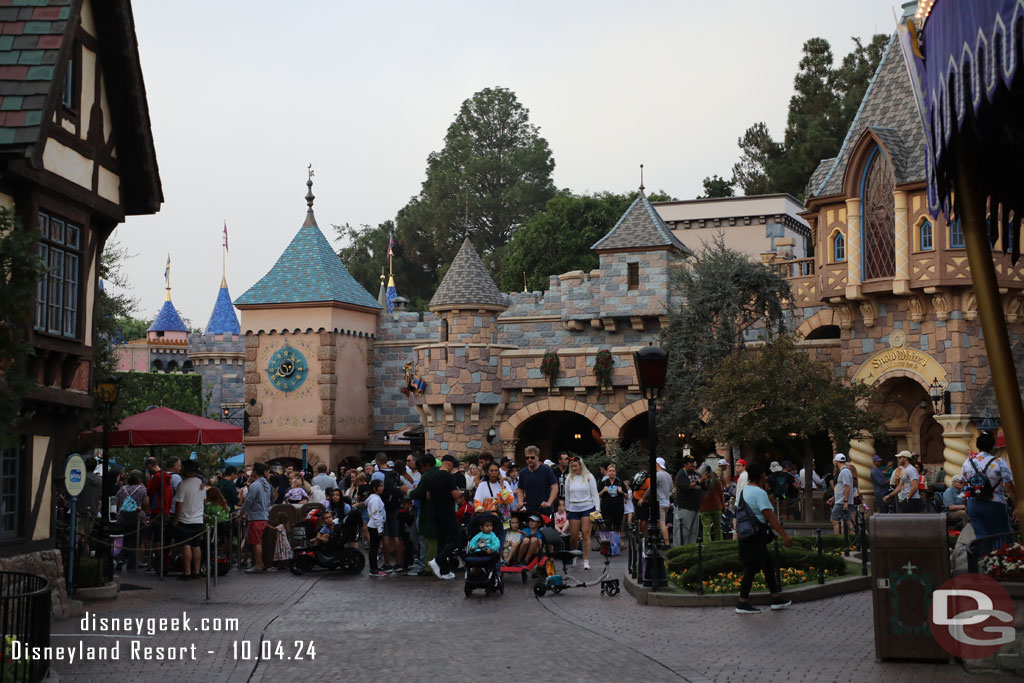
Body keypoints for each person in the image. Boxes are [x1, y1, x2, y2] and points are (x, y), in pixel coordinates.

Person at [734, 462, 793, 615]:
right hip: (756, 536)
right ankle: (742, 602)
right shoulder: (759, 494)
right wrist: (785, 536)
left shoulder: (743, 491)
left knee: (767, 565)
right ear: (762, 476)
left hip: (745, 535)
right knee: (752, 568)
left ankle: (775, 598)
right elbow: (772, 518)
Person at [961, 432, 1016, 538]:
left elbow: (964, 486)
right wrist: (1016, 507)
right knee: (1001, 536)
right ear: (992, 446)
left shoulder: (967, 463)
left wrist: (966, 505)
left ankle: (983, 554)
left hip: (974, 504)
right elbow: (1009, 486)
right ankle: (998, 554)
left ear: (977, 446)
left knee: (981, 537)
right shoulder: (999, 462)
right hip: (995, 503)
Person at [426, 454, 461, 580]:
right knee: (456, 540)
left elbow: (428, 496)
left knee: (442, 540)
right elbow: (455, 495)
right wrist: (460, 493)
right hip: (448, 512)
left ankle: (444, 571)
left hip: (436, 512)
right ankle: (438, 560)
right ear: (449, 464)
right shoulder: (448, 477)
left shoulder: (431, 477)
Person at [564, 458, 601, 569]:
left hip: (587, 507)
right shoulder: (568, 478)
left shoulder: (589, 477)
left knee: (585, 534)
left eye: (576, 466)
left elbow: (595, 494)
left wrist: (597, 508)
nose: (574, 468)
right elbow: (567, 495)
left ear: (581, 466)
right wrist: (567, 509)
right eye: (572, 467)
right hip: (573, 508)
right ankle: (574, 556)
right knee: (574, 537)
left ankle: (586, 560)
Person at [172, 461, 206, 580]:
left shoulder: (183, 485)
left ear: (187, 470)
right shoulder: (202, 484)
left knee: (186, 545)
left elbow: (179, 505)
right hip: (198, 519)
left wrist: (176, 519)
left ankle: (187, 571)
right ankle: (196, 571)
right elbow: (204, 501)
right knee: (196, 545)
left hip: (185, 520)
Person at [408, 453, 438, 575]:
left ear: (425, 465)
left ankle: (427, 566)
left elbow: (418, 493)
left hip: (428, 512)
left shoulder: (427, 476)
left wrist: (408, 491)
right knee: (433, 541)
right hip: (439, 512)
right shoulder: (440, 473)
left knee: (427, 540)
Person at [239, 462, 272, 573]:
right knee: (258, 541)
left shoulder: (255, 485)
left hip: (256, 517)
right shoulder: (267, 485)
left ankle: (258, 565)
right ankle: (258, 564)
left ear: (256, 471)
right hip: (264, 515)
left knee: (256, 542)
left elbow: (249, 501)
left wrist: (241, 513)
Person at [114, 470, 148, 570]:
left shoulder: (122, 489)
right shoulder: (142, 490)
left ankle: (120, 559)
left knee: (121, 539)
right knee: (135, 541)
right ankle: (132, 564)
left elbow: (117, 502)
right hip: (136, 517)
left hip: (123, 517)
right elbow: (145, 503)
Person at [473, 463, 514, 541]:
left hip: (502, 519)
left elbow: (509, 500)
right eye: (491, 471)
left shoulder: (505, 484)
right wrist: (480, 508)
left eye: (496, 470)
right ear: (487, 473)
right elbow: (477, 501)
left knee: (500, 541)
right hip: (487, 520)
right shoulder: (482, 485)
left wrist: (502, 486)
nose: (494, 473)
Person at [517, 445, 558, 516]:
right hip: (529, 508)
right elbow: (520, 488)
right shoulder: (523, 472)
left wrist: (549, 502)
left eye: (532, 457)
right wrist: (520, 502)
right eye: (527, 458)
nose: (529, 459)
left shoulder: (546, 469)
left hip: (544, 508)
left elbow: (555, 487)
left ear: (538, 457)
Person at [674, 456, 705, 546]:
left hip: (695, 507)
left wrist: (706, 479)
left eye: (693, 462)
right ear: (685, 464)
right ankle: (680, 552)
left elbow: (703, 487)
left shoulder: (697, 473)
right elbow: (687, 486)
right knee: (683, 532)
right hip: (684, 507)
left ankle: (690, 551)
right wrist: (700, 480)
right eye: (690, 462)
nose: (692, 464)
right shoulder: (681, 474)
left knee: (693, 533)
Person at [76, 456, 103, 553]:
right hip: (94, 509)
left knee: (80, 532)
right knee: (87, 533)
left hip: (81, 509)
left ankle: (83, 552)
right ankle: (85, 552)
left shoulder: (81, 478)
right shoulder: (99, 481)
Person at [827, 454, 855, 534]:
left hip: (841, 502)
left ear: (836, 461)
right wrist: (834, 498)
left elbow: (847, 487)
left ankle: (839, 540)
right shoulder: (845, 471)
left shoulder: (844, 472)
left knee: (834, 519)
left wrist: (845, 501)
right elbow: (842, 488)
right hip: (843, 501)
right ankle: (854, 541)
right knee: (848, 522)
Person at [366, 479, 387, 577]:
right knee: (374, 548)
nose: (382, 488)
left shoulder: (375, 498)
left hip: (374, 526)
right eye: (380, 486)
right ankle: (374, 569)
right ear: (375, 488)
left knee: (374, 548)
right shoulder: (375, 499)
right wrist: (380, 528)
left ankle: (374, 568)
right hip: (374, 526)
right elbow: (376, 514)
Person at [598, 463, 626, 535]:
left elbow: (627, 496)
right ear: (607, 472)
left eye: (613, 471)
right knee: (608, 527)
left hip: (618, 508)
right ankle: (609, 544)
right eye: (610, 471)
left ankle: (615, 544)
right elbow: (597, 495)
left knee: (617, 527)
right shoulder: (603, 482)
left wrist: (621, 492)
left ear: (616, 472)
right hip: (606, 508)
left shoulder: (620, 482)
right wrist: (603, 491)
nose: (611, 472)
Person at [700, 463, 725, 542]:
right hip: (717, 506)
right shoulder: (716, 481)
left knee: (706, 529)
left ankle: (707, 546)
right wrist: (723, 506)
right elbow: (721, 495)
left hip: (704, 508)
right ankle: (720, 545)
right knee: (718, 528)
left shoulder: (700, 482)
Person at [652, 457, 672, 545]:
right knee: (661, 522)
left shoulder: (657, 475)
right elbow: (671, 488)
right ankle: (660, 540)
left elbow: (651, 488)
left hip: (660, 501)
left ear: (657, 464)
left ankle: (667, 543)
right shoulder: (668, 476)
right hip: (667, 501)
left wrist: (642, 498)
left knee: (662, 522)